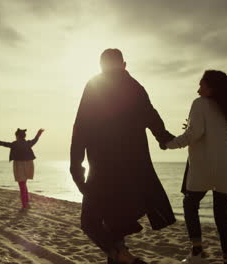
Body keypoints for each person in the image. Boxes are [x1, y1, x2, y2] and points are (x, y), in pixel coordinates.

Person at [70, 48, 176, 264]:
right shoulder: (135, 87)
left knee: (90, 222)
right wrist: (164, 138)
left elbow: (80, 127)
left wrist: (76, 168)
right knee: (115, 224)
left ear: (101, 65)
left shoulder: (94, 86)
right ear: (124, 64)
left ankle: (124, 257)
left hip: (102, 168)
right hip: (132, 172)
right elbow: (152, 115)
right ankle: (121, 256)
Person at [164, 70, 227, 264]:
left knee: (190, 203)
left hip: (205, 165)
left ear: (212, 88)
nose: (198, 90)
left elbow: (195, 134)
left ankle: (197, 252)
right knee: (222, 216)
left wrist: (170, 143)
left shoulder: (199, 103)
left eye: (202, 86)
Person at [0, 128, 45, 210]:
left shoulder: (15, 144)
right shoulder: (28, 143)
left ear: (17, 136)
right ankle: (26, 203)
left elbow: (2, 143)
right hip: (29, 164)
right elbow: (35, 139)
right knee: (24, 185)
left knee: (22, 185)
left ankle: (24, 205)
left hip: (19, 165)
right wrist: (39, 133)